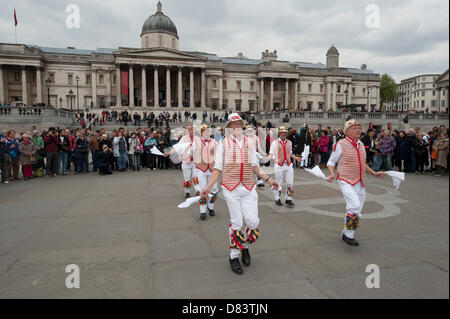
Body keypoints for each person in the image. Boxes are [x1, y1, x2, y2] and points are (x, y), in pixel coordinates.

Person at [199, 113, 279, 275]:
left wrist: (268, 179)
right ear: (229, 127)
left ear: (242, 125)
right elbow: (218, 168)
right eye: (232, 124)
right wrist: (208, 186)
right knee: (236, 222)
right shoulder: (223, 143)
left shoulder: (250, 142)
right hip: (231, 187)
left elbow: (255, 167)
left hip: (248, 187)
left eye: (238, 123)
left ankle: (244, 246)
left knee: (252, 221)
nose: (236, 126)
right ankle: (234, 256)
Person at [326, 119, 386, 246]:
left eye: (359, 128)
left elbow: (362, 163)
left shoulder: (360, 144)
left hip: (360, 181)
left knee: (357, 210)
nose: (358, 130)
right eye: (354, 128)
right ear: (347, 131)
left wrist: (373, 173)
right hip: (345, 179)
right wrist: (331, 173)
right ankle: (347, 235)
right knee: (354, 205)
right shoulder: (340, 144)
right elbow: (331, 162)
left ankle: (347, 233)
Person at [267, 126, 301, 207]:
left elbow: (290, 153)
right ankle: (277, 198)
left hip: (288, 165)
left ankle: (288, 198)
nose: (284, 134)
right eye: (282, 132)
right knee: (278, 183)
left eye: (285, 132)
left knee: (290, 183)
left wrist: (296, 157)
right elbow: (271, 153)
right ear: (279, 133)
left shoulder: (289, 142)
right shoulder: (274, 142)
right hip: (279, 165)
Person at [192, 125, 218, 220]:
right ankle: (202, 211)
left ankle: (210, 206)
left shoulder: (214, 142)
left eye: (208, 131)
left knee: (214, 189)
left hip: (212, 169)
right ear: (201, 133)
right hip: (201, 169)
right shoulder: (196, 142)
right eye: (204, 131)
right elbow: (191, 152)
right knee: (203, 189)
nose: (207, 133)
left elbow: (218, 153)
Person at [179, 124, 195, 198]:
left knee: (196, 177)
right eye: (191, 129)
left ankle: (198, 191)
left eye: (193, 129)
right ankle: (187, 192)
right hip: (186, 161)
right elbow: (179, 148)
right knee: (187, 178)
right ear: (188, 130)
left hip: (195, 162)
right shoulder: (184, 138)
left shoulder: (197, 138)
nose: (192, 131)